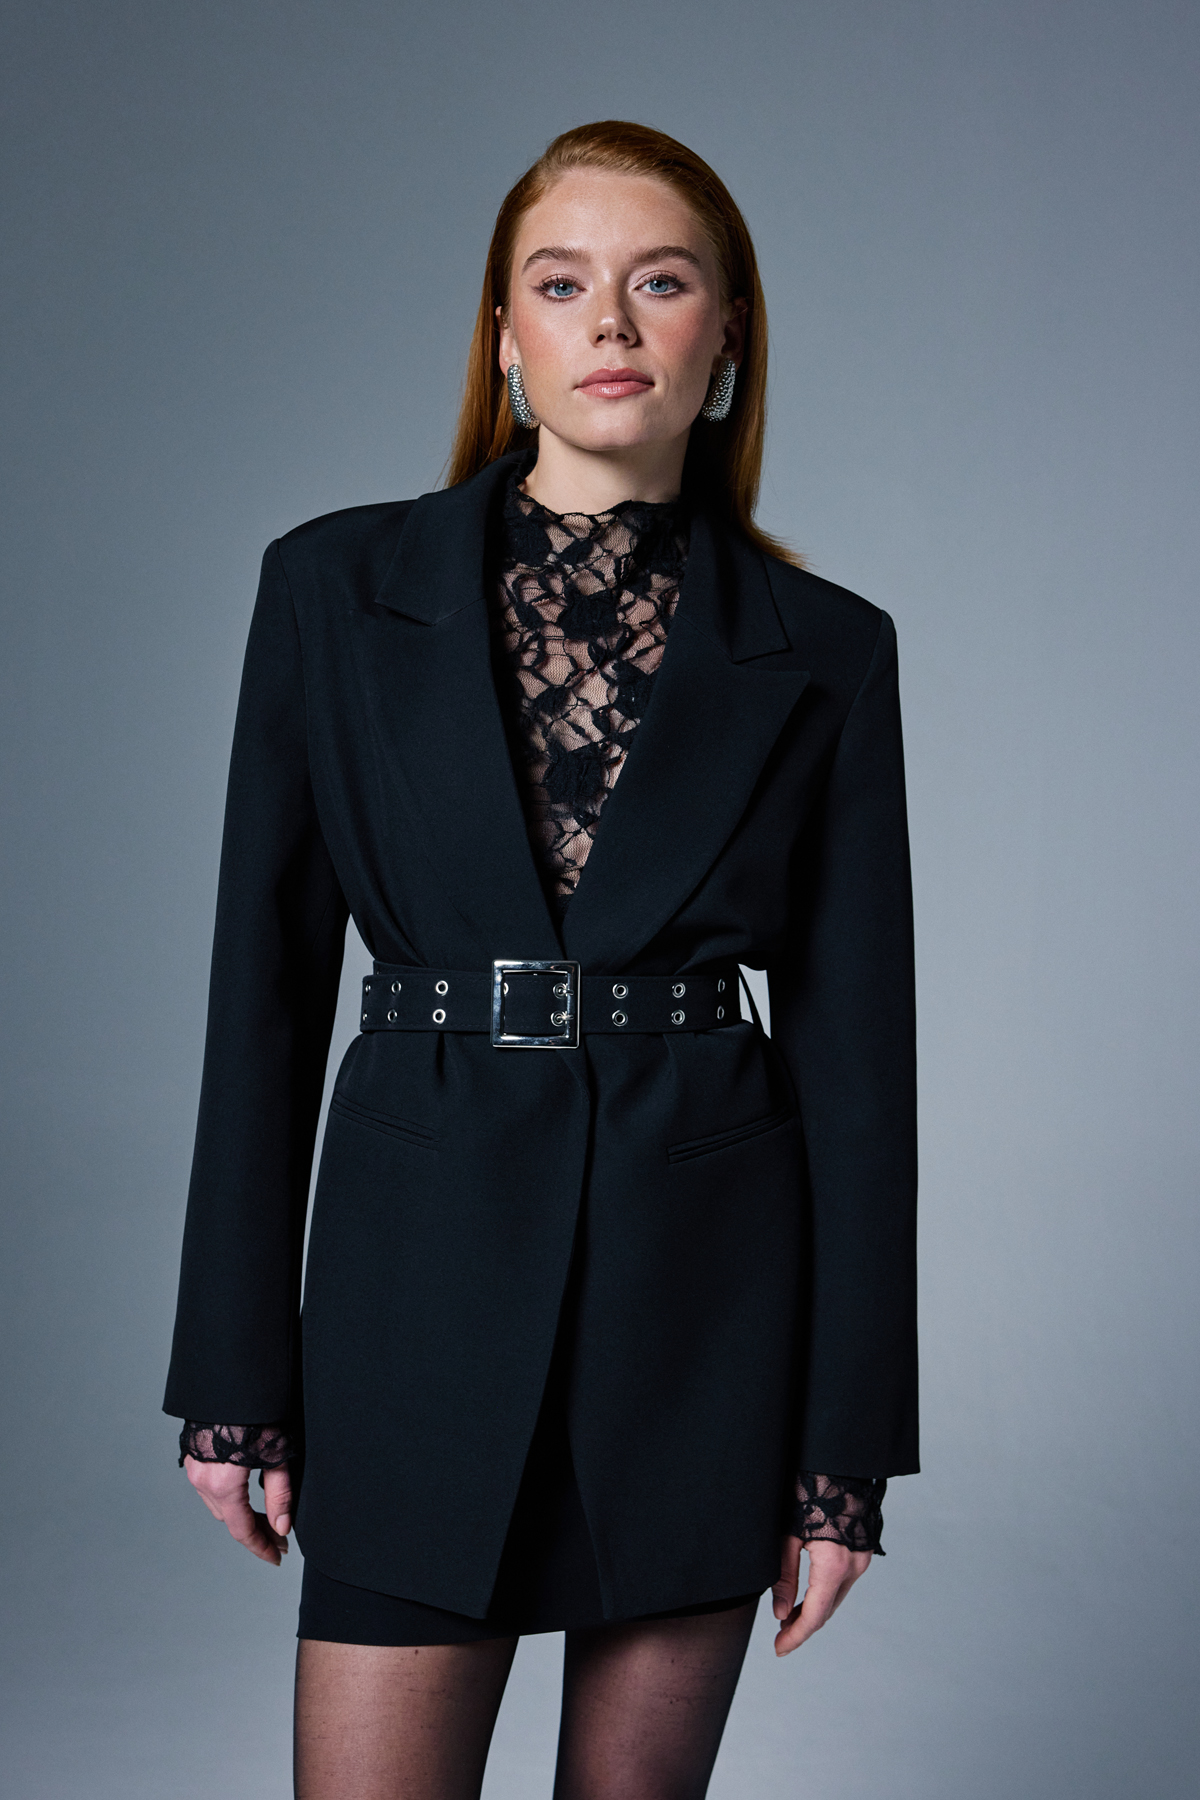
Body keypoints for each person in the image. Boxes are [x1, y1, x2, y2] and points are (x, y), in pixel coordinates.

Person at [164, 119, 918, 1800]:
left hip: (703, 1308)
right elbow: (260, 999)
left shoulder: (829, 652)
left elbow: (865, 1077)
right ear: (503, 334)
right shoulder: (332, 590)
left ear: (728, 335)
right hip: (412, 1289)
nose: (613, 325)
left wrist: (847, 1454)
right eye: (562, 285)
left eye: (663, 284)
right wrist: (232, 1376)